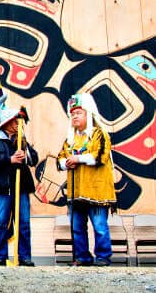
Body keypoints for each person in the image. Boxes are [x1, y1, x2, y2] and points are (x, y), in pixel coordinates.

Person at [57, 93, 117, 267]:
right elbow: (59, 160)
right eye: (73, 114)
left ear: (88, 114)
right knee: (77, 227)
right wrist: (66, 163)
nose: (74, 116)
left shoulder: (100, 134)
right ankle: (82, 257)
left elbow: (100, 156)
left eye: (79, 113)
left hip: (97, 191)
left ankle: (103, 256)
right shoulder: (71, 139)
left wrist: (78, 159)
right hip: (76, 192)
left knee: (99, 227)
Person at [0, 103, 38, 266]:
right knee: (0, 222)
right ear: (5, 122)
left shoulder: (21, 140)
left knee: (24, 222)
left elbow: (34, 160)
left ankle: (24, 256)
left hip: (21, 188)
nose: (18, 123)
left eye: (19, 121)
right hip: (0, 188)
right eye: (15, 120)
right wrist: (9, 159)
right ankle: (0, 257)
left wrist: (25, 151)